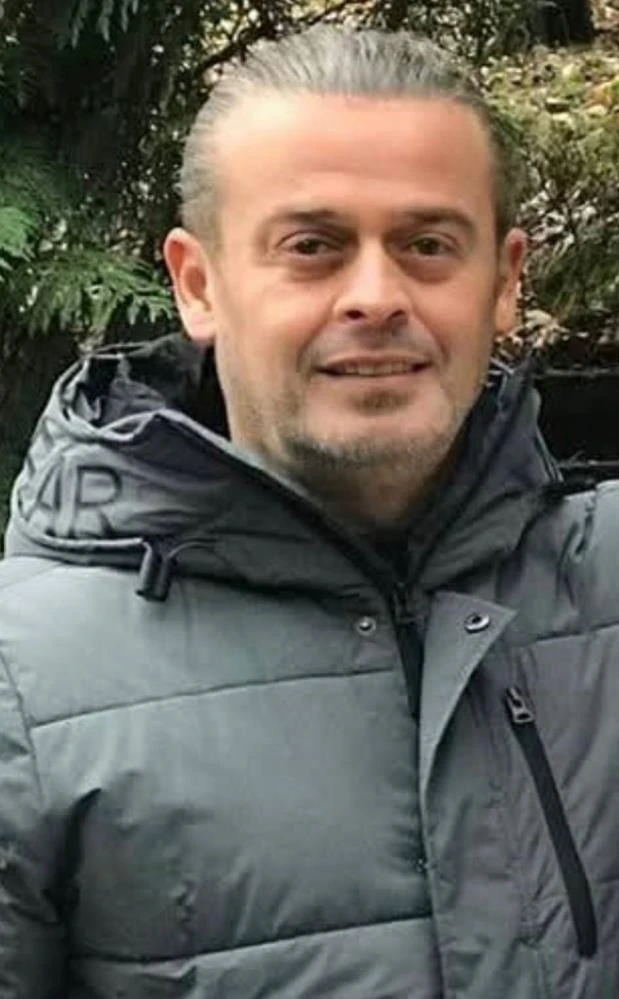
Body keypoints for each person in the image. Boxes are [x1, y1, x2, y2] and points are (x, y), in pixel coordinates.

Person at [0, 23, 616, 999]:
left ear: (504, 281)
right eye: (312, 248)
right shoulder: (26, 685)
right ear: (198, 284)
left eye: (426, 245)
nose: (375, 296)